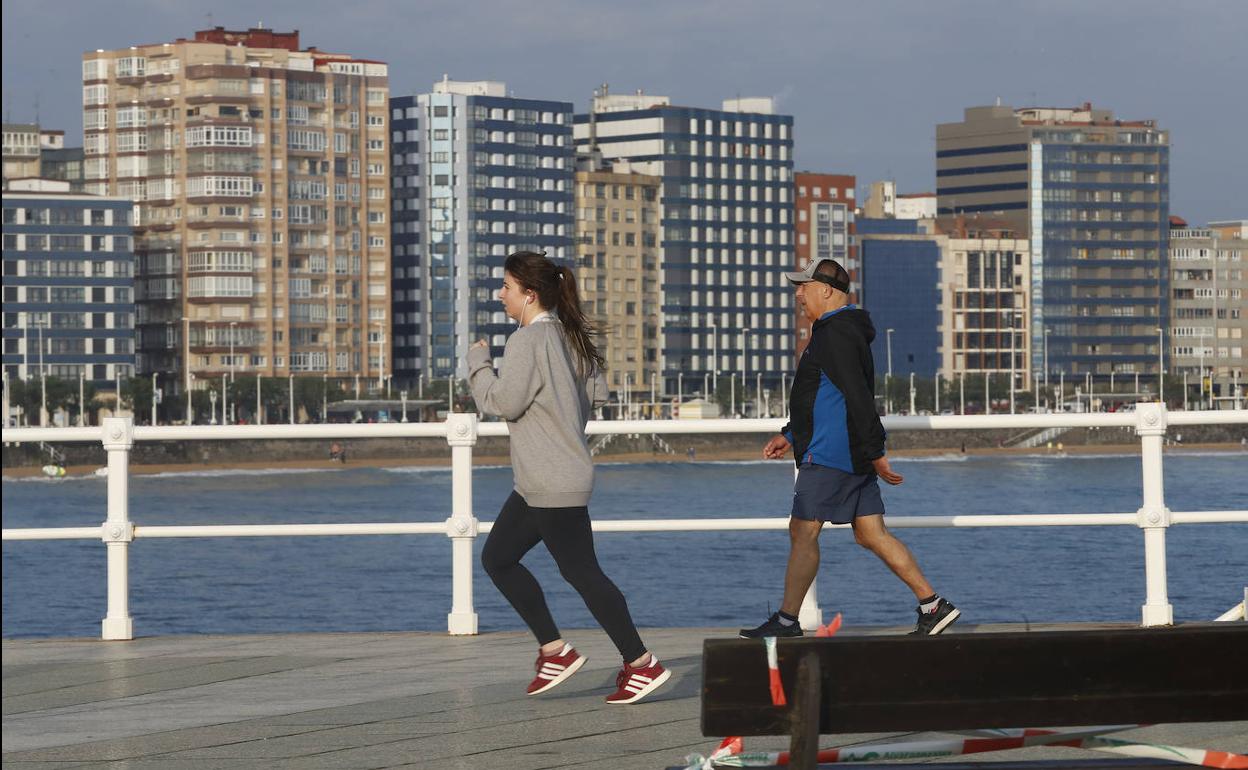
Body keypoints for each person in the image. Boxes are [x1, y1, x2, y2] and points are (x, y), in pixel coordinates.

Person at [467, 251, 671, 705]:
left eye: (506, 288)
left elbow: (502, 403)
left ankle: (642, 664)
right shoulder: (570, 335)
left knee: (582, 573)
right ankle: (554, 650)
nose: (500, 295)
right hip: (544, 479)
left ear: (529, 295)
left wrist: (478, 363)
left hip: (551, 480)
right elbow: (596, 393)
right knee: (498, 558)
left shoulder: (527, 340)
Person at [740, 258, 960, 638]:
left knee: (803, 530)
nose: (798, 294)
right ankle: (933, 605)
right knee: (870, 534)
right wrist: (791, 434)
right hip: (846, 451)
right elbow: (823, 396)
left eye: (803, 286)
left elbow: (858, 396)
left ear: (825, 290)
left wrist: (875, 452)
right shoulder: (837, 331)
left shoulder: (835, 334)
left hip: (831, 454)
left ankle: (788, 621)